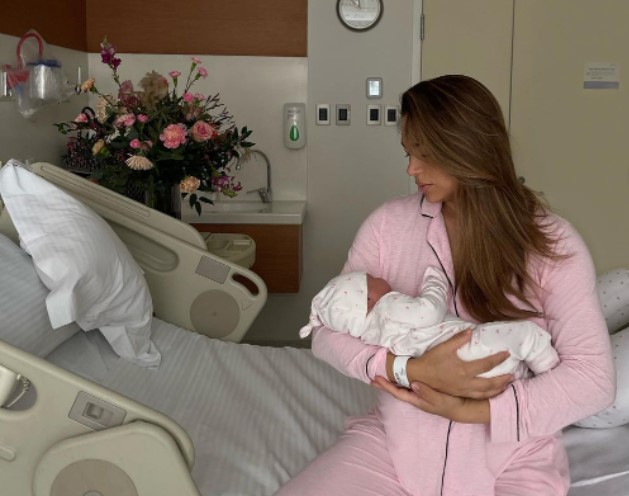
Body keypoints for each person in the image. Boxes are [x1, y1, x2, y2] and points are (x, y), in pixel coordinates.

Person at [275, 75, 615, 496]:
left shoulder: (551, 243)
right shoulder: (387, 226)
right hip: (396, 447)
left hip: (513, 457)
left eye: (425, 153)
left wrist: (472, 409)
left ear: (468, 147)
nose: (411, 169)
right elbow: (325, 334)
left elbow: (593, 380)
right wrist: (407, 369)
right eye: (408, 153)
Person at [299, 267, 560, 380]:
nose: (377, 275)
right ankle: (552, 375)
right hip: (464, 349)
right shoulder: (386, 307)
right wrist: (435, 283)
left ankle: (525, 375)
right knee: (526, 334)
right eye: (371, 278)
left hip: (453, 369)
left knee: (509, 360)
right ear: (367, 299)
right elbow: (429, 312)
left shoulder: (371, 334)